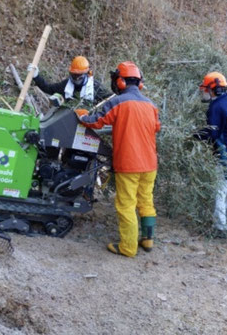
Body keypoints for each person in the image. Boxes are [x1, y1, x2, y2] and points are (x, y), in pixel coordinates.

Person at [78, 61, 160, 257]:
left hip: (129, 164)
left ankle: (128, 248)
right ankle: (148, 240)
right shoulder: (151, 105)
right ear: (139, 84)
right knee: (146, 201)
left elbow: (96, 121)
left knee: (126, 205)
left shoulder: (117, 102)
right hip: (150, 164)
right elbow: (157, 127)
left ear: (121, 82)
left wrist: (81, 115)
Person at [194, 72, 227, 239]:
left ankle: (220, 227)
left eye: (205, 88)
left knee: (220, 190)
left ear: (213, 89)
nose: (203, 92)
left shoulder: (216, 107)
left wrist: (194, 136)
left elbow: (212, 132)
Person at [27, 56, 111, 105]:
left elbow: (109, 99)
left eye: (79, 75)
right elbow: (48, 88)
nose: (77, 78)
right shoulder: (66, 85)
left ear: (86, 74)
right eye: (74, 75)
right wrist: (36, 76)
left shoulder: (95, 87)